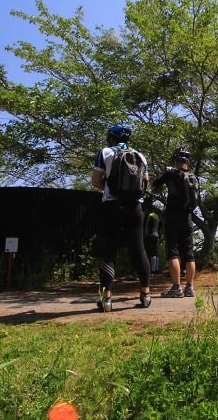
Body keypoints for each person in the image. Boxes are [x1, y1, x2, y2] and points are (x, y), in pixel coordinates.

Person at [91, 125, 152, 312]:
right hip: (135, 207)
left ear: (111, 138)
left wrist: (109, 189)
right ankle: (145, 295)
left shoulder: (105, 153)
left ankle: (107, 298)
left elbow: (95, 181)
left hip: (112, 206)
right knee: (139, 249)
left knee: (109, 250)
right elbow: (146, 181)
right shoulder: (140, 155)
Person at [153, 147, 199, 298]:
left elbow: (156, 183)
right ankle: (190, 288)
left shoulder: (171, 174)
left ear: (176, 159)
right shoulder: (193, 177)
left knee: (173, 252)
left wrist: (167, 172)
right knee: (189, 253)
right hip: (188, 218)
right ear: (188, 161)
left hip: (173, 218)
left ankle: (176, 288)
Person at [143, 201, 161, 274]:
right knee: (155, 252)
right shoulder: (156, 216)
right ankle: (157, 268)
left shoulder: (149, 215)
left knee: (151, 252)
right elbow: (160, 226)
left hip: (150, 235)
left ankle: (152, 269)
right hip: (156, 235)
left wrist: (146, 234)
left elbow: (147, 226)